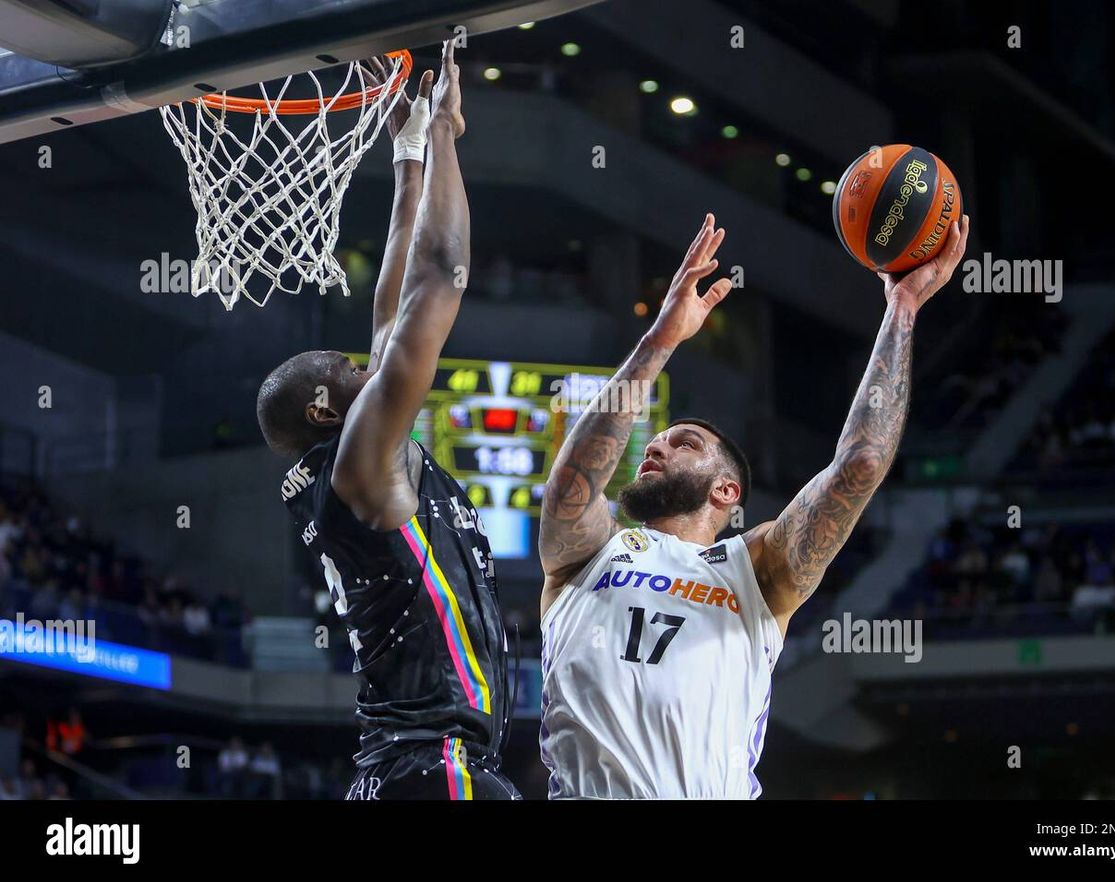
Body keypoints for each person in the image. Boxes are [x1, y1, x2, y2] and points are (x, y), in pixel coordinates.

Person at [538, 212, 970, 798]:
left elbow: (861, 466)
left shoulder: (756, 569)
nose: (656, 447)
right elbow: (571, 483)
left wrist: (902, 308)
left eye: (683, 443)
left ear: (727, 491)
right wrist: (661, 338)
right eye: (657, 440)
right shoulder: (587, 554)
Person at [256, 43, 516, 800]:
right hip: (429, 763)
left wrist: (407, 162)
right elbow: (440, 277)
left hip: (405, 765)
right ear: (323, 408)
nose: (363, 361)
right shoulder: (361, 465)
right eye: (345, 366)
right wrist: (444, 138)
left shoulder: (354, 461)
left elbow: (394, 310)